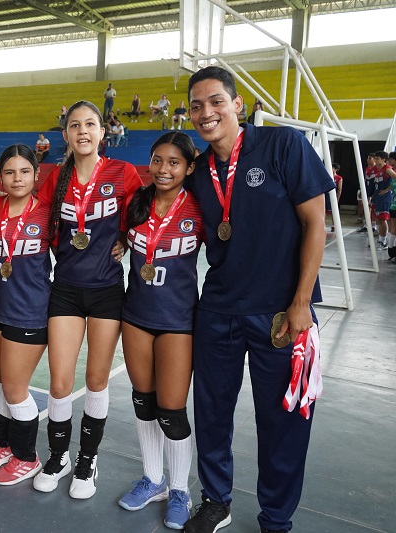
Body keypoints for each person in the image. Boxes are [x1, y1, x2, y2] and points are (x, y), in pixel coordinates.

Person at [183, 66, 334, 533]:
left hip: (280, 314)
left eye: (215, 101)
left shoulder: (283, 145)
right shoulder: (199, 172)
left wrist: (301, 302)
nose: (206, 113)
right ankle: (216, 500)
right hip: (218, 310)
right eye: (196, 106)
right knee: (211, 414)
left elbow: (316, 224)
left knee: (282, 420)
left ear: (237, 104)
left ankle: (276, 519)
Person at [33, 100, 142, 500]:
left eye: (90, 124)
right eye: (75, 125)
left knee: (96, 380)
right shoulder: (55, 179)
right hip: (65, 289)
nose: (83, 131)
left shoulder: (123, 172)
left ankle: (88, 459)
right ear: (65, 134)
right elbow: (40, 223)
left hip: (107, 291)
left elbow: (143, 215)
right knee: (60, 382)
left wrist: (125, 240)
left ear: (102, 131)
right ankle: (58, 456)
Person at [116, 131, 202, 530]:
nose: (163, 169)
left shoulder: (199, 207)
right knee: (143, 402)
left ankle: (180, 489)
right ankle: (153, 480)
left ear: (188, 167)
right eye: (157, 160)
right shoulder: (136, 201)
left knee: (171, 411)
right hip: (136, 315)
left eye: (173, 162)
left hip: (178, 321)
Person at [0, 144, 52, 485]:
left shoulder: (48, 213)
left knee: (15, 388)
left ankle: (26, 456)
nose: (17, 178)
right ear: (0, 176)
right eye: (9, 172)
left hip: (30, 313)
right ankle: (2, 445)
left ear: (36, 174)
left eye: (24, 171)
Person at [372, 151, 395, 250]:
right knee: (379, 219)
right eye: (375, 158)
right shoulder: (378, 170)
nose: (375, 160)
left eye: (377, 158)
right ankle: (382, 239)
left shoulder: (387, 169)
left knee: (383, 219)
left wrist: (387, 190)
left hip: (385, 198)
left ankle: (383, 241)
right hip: (378, 197)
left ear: (383, 159)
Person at [325, 162, 343, 232]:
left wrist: (337, 199)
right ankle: (322, 224)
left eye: (332, 168)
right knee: (324, 210)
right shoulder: (327, 176)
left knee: (334, 211)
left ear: (336, 169)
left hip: (333, 196)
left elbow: (339, 190)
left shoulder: (339, 178)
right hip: (326, 195)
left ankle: (334, 225)